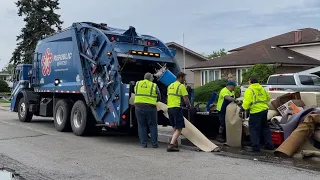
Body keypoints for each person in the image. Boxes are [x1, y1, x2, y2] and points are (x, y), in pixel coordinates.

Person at [241, 77, 274, 152]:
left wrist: (242, 108)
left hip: (255, 112)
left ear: (250, 82)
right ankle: (269, 145)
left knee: (253, 129)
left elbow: (247, 102)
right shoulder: (262, 89)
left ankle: (255, 147)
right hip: (264, 110)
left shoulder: (249, 90)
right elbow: (268, 98)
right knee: (265, 128)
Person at [134, 72, 161, 148]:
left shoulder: (138, 83)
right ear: (150, 78)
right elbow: (159, 96)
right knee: (152, 126)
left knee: (142, 125)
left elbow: (136, 92)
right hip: (150, 108)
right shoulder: (154, 85)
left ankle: (143, 144)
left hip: (138, 107)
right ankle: (154, 144)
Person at [167, 72, 191, 152]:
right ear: (180, 77)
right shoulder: (181, 86)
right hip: (176, 108)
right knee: (179, 128)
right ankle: (171, 145)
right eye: (184, 78)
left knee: (174, 126)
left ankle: (174, 143)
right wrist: (189, 106)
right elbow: (185, 98)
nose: (184, 80)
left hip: (169, 108)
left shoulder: (170, 86)